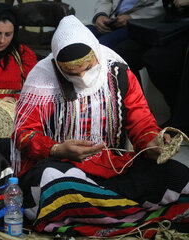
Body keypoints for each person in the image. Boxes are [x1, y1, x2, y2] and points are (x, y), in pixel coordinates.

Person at [12, 15, 189, 238]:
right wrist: (56, 149)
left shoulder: (118, 73)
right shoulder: (43, 80)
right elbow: (24, 133)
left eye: (88, 67)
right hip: (63, 167)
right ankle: (133, 213)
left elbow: (142, 121)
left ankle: (103, 213)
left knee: (179, 176)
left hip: (113, 166)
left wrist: (152, 142)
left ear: (96, 53)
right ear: (58, 66)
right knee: (53, 184)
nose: (83, 77)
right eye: (72, 73)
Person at [115, 0, 189, 133]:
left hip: (183, 28)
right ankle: (139, 115)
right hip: (167, 22)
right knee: (122, 54)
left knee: (157, 60)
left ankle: (180, 117)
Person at [86, 0, 165, 49]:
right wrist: (100, 15)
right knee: (80, 35)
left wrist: (132, 17)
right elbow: (106, 1)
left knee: (102, 45)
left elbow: (161, 7)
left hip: (137, 24)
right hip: (110, 18)